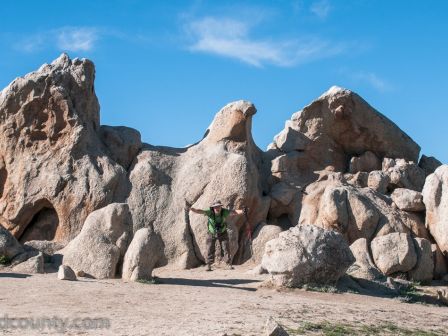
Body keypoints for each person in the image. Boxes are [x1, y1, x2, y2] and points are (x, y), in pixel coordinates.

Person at [186, 200, 247, 271]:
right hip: (211, 233)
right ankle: (208, 265)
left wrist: (242, 211)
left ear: (221, 207)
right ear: (213, 208)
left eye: (218, 207)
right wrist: (191, 208)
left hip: (223, 232)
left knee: (226, 248)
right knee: (210, 248)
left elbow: (234, 212)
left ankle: (227, 264)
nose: (217, 208)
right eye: (215, 207)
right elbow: (199, 211)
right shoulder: (210, 211)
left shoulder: (224, 211)